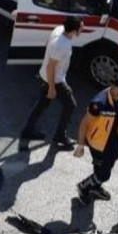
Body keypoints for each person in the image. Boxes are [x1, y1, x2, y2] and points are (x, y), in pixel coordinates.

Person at [20, 16, 83, 150]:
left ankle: (27, 131)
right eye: (81, 27)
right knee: (71, 105)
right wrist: (52, 88)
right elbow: (51, 67)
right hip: (54, 80)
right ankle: (60, 136)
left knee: (41, 105)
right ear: (74, 30)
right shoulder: (62, 45)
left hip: (46, 76)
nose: (83, 29)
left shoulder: (59, 29)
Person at [74, 73, 118, 203]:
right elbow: (84, 123)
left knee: (112, 161)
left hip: (112, 138)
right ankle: (84, 187)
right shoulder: (99, 103)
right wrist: (80, 145)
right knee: (103, 173)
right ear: (115, 87)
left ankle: (95, 186)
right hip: (98, 143)